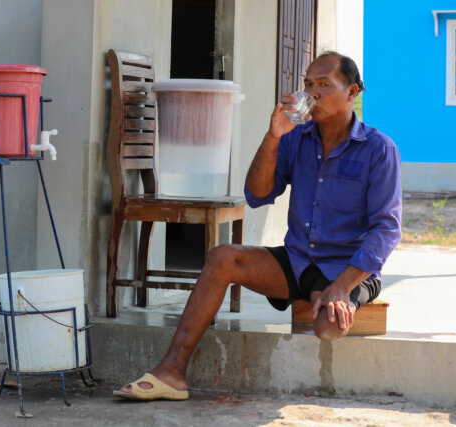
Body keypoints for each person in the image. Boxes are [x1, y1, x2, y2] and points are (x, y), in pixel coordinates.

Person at [113, 51, 402, 401]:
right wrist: (274, 135)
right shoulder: (296, 138)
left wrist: (341, 288)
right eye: (309, 84)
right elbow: (258, 194)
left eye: (324, 85)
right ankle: (172, 372)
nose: (313, 93)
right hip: (297, 262)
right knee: (222, 258)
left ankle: (337, 296)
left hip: (347, 268)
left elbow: (387, 229)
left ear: (352, 91)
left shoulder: (378, 149)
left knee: (327, 328)